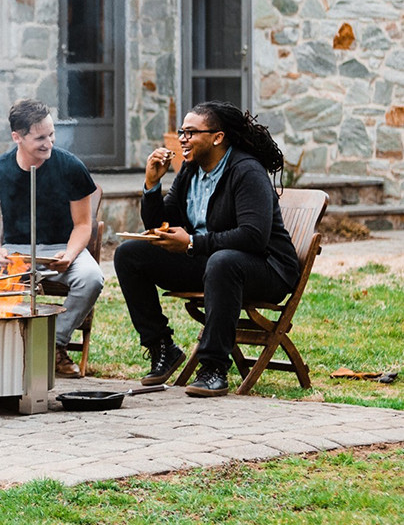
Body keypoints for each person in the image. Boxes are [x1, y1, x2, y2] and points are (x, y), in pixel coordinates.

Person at [113, 100, 298, 397]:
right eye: (181, 132)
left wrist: (192, 243)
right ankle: (162, 347)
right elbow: (162, 222)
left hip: (265, 269)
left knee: (223, 262)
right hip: (213, 264)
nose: (182, 139)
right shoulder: (190, 171)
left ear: (217, 137)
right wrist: (151, 185)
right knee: (129, 254)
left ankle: (213, 368)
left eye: (190, 132)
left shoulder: (246, 171)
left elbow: (254, 237)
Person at [0, 99, 104, 378]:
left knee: (91, 278)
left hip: (62, 249)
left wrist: (70, 254)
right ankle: (2, 339)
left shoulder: (71, 166)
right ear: (17, 137)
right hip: (14, 252)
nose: (48, 142)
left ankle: (54, 344)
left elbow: (84, 225)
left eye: (51, 134)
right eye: (40, 137)